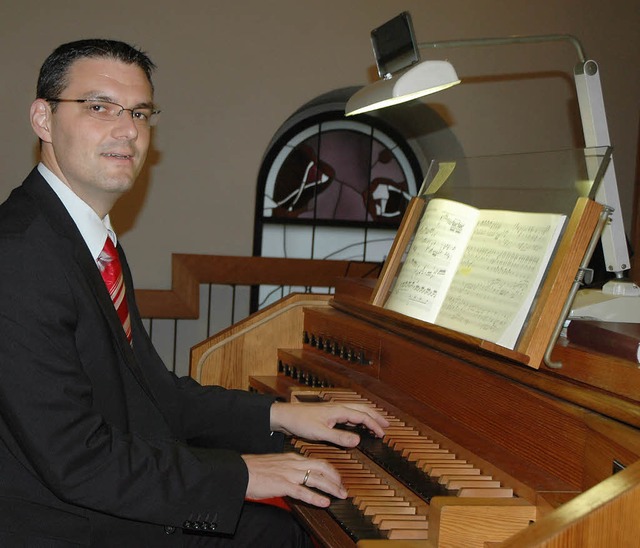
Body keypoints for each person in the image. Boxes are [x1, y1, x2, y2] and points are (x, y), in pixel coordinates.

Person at [0, 39, 388, 547]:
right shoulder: (20, 253)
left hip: (94, 500)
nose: (127, 129)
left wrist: (280, 414)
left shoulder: (87, 241)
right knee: (291, 534)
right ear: (43, 120)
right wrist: (244, 474)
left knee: (293, 526)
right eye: (99, 107)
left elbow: (154, 394)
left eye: (139, 112)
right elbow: (76, 458)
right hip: (68, 525)